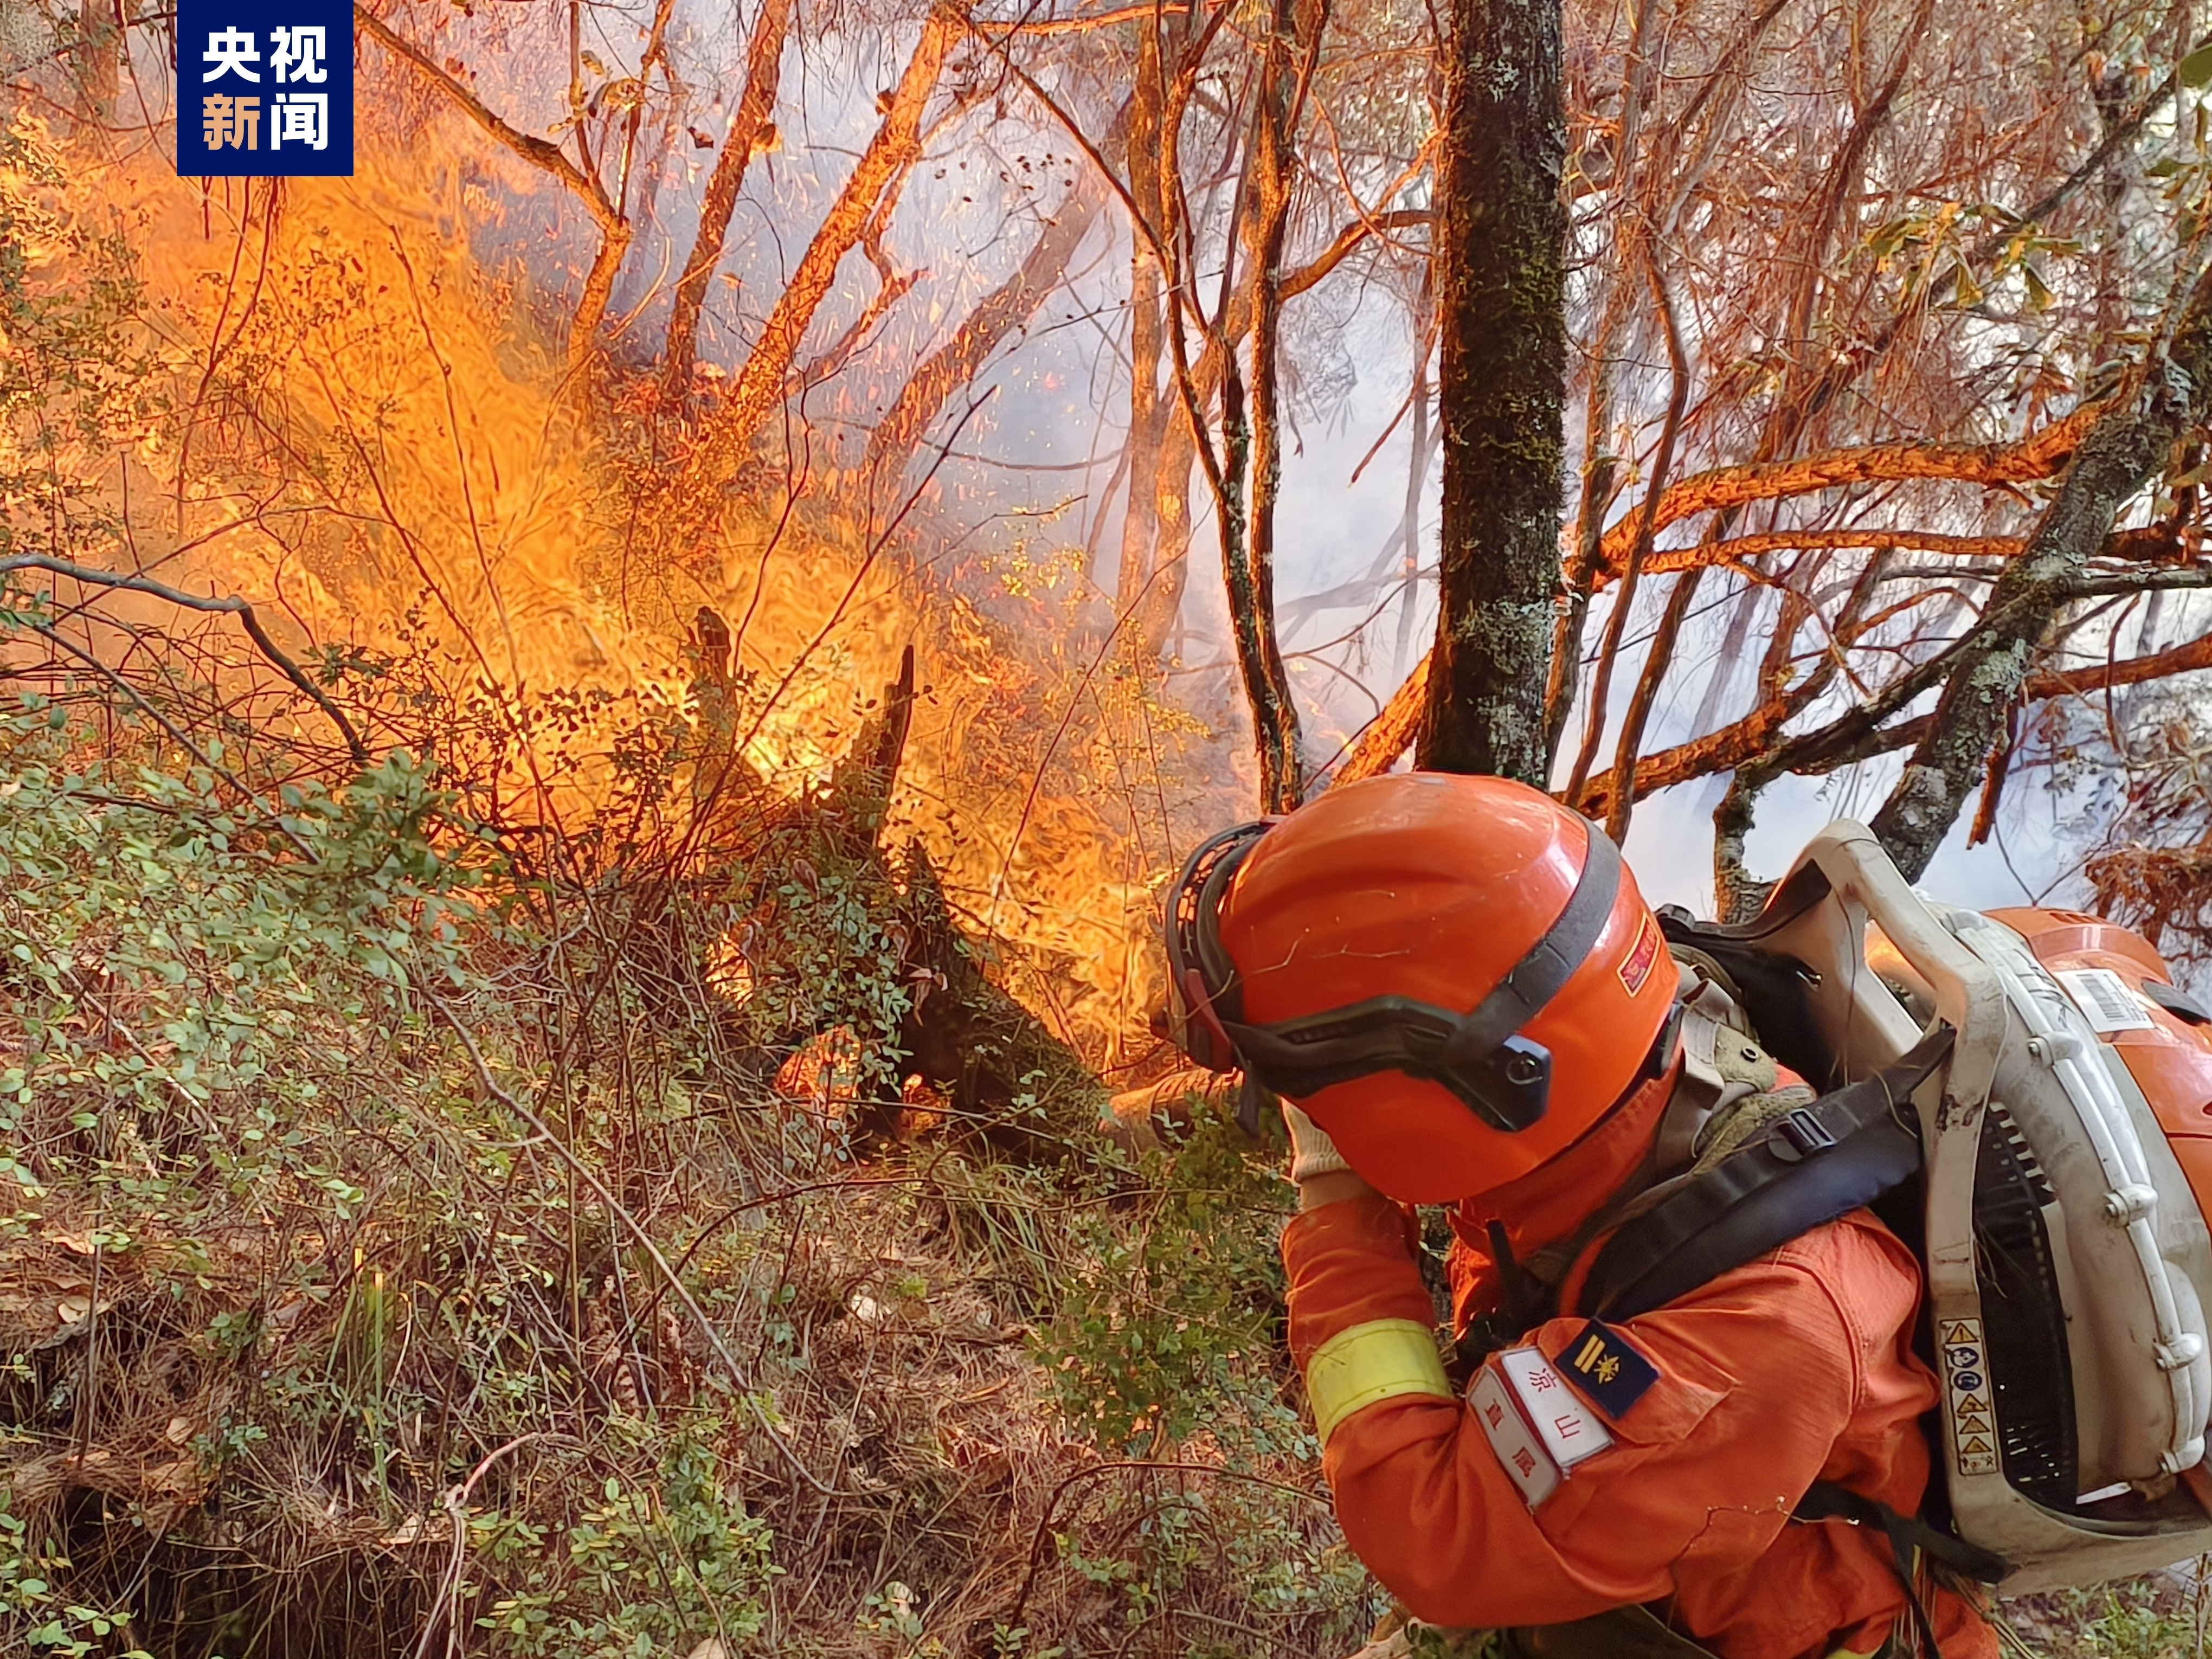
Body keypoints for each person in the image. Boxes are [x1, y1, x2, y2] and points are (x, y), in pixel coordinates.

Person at [1162, 771, 1996, 1659]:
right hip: (1632, 1547)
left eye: (1306, 1087)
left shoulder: (1762, 1332)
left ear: (1437, 1100)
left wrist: (1337, 1197)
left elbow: (1435, 1536)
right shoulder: (1601, 1051)